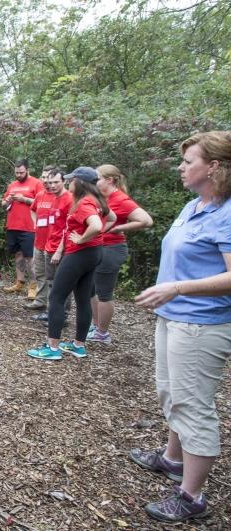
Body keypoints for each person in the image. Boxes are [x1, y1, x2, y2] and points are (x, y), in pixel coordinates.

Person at [131, 131, 231, 523]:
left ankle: (191, 497)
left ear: (214, 167)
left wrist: (178, 287)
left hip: (202, 324)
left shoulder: (227, 213)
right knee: (171, 393)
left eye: (188, 161)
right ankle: (172, 458)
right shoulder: (193, 206)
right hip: (173, 317)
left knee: (193, 406)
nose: (181, 166)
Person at [27, 166, 115, 359]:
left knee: (57, 296)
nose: (68, 183)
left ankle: (52, 348)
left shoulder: (84, 203)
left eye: (71, 179)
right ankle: (78, 345)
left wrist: (82, 239)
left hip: (79, 254)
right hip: (95, 252)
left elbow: (97, 225)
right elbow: (112, 218)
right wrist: (92, 239)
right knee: (83, 299)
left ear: (80, 182)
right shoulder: (97, 200)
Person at [86, 164, 153, 344]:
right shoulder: (98, 197)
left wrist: (118, 228)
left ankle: (103, 333)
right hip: (96, 248)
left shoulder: (121, 199)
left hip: (111, 249)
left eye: (97, 179)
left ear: (109, 180)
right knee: (91, 289)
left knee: (103, 292)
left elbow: (146, 220)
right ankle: (95, 325)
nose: (94, 182)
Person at [31, 168, 73, 323]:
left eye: (56, 182)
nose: (52, 185)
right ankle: (51, 311)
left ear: (64, 181)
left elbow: (69, 227)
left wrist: (60, 249)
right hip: (47, 244)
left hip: (60, 248)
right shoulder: (53, 197)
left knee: (62, 282)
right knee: (50, 281)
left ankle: (63, 316)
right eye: (50, 182)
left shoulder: (69, 199)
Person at [1, 159, 44, 299]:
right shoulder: (12, 185)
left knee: (30, 257)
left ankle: (33, 286)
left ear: (28, 170)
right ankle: (20, 282)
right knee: (18, 254)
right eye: (17, 172)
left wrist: (24, 199)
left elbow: (42, 202)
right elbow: (3, 203)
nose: (19, 175)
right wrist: (7, 201)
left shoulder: (37, 183)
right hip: (13, 225)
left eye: (21, 172)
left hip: (29, 227)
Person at [25, 165, 55, 311]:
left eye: (47, 177)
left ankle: (52, 306)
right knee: (39, 273)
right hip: (39, 241)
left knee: (52, 277)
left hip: (54, 244)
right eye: (43, 177)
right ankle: (40, 300)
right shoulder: (40, 195)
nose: (44, 180)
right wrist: (35, 223)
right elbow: (33, 210)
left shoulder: (61, 195)